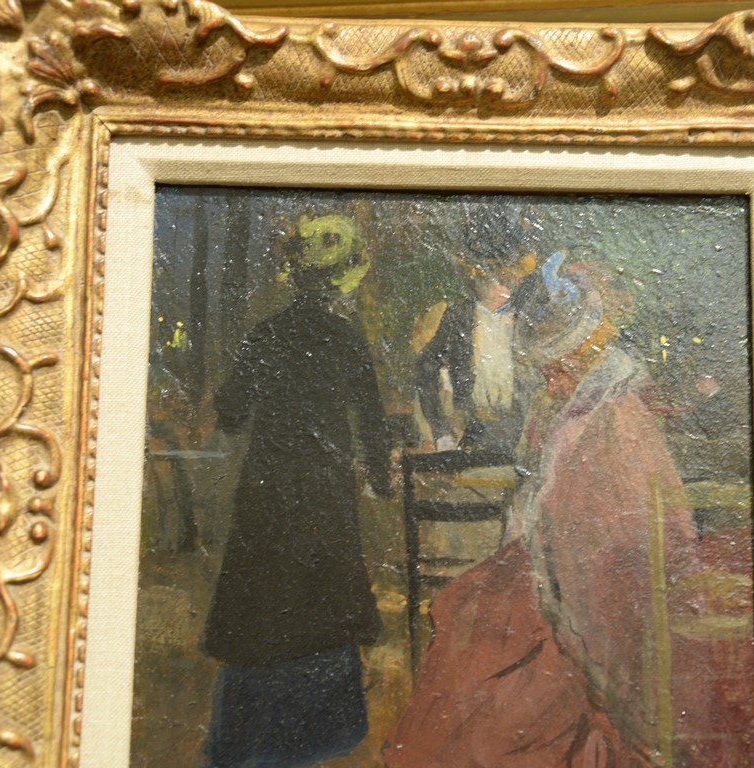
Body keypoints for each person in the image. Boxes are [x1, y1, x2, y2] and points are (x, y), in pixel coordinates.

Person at [386, 256, 703, 767]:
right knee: (461, 606)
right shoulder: (569, 407)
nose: (549, 380)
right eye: (546, 370)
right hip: (550, 560)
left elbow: (597, 534)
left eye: (557, 368)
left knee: (483, 632)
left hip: (585, 580)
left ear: (582, 357)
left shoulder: (609, 420)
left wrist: (538, 561)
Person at [202, 214, 392, 768]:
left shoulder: (264, 334)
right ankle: (323, 732)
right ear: (343, 282)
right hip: (324, 489)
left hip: (267, 486)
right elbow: (372, 421)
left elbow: (231, 413)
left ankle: (250, 731)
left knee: (263, 595)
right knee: (323, 599)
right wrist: (381, 479)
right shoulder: (346, 339)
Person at [412, 246, 538, 454]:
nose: (506, 286)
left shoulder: (525, 319)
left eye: (510, 279)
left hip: (516, 429)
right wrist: (441, 431)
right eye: (496, 279)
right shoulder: (459, 316)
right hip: (469, 429)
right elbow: (426, 369)